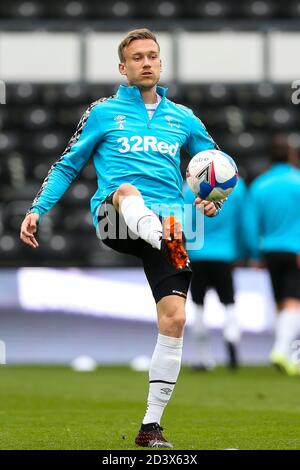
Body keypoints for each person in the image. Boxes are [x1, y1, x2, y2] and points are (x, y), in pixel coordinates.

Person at [20, 28, 223, 448]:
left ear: (161, 63)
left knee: (175, 319)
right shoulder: (103, 112)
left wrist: (214, 198)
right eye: (137, 58)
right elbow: (66, 165)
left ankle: (151, 427)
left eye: (152, 56)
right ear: (123, 67)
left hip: (170, 225)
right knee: (128, 190)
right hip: (116, 216)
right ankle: (157, 234)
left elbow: (215, 165)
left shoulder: (183, 118)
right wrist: (37, 209)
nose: (146, 62)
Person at [246, 135, 300, 376]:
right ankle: (280, 351)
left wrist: (256, 254)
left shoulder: (260, 185)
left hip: (269, 250)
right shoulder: (298, 182)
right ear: (291, 155)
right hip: (294, 249)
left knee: (281, 302)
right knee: (293, 302)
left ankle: (287, 357)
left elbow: (250, 224)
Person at [184, 178, 247, 370]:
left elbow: (185, 223)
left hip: (197, 254)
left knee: (199, 306)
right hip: (225, 254)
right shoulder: (237, 187)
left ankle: (203, 359)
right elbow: (243, 223)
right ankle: (231, 335)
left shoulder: (189, 188)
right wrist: (243, 252)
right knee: (228, 303)